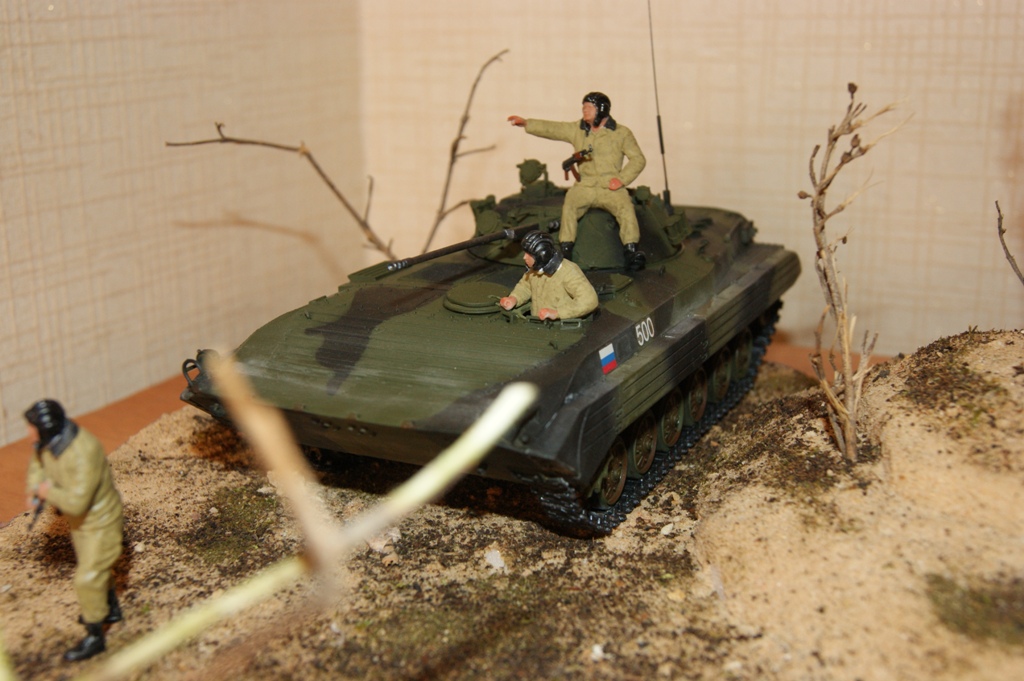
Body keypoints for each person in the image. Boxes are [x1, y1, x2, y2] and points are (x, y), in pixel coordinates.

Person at [24, 399, 124, 663]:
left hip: (100, 522)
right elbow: (37, 465)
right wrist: (35, 488)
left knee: (87, 578)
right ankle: (110, 609)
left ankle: (95, 636)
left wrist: (47, 492)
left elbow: (78, 501)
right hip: (80, 523)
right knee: (96, 568)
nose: (28, 433)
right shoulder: (47, 444)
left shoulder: (83, 452)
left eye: (31, 428)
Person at [508, 91, 648, 271]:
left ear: (601, 109)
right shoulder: (578, 130)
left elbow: (638, 159)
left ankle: (631, 250)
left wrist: (621, 179)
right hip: (585, 185)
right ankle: (566, 249)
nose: (584, 111)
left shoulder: (621, 133)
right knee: (570, 206)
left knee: (626, 208)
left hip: (610, 186)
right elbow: (554, 129)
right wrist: (528, 123)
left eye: (589, 107)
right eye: (584, 107)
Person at [499, 230, 598, 320]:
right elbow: (525, 286)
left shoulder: (567, 271)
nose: (524, 257)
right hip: (536, 322)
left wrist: (558, 313)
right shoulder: (534, 269)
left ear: (541, 255)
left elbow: (589, 300)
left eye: (529, 254)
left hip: (560, 326)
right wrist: (514, 298)